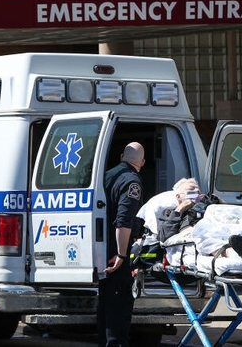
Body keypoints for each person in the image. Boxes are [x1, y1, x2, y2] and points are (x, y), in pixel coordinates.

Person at [97, 142, 145, 347]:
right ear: (142, 162)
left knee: (106, 303)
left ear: (120, 157)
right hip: (116, 251)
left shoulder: (105, 175)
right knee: (119, 303)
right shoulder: (132, 182)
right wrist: (121, 255)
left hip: (100, 247)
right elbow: (124, 220)